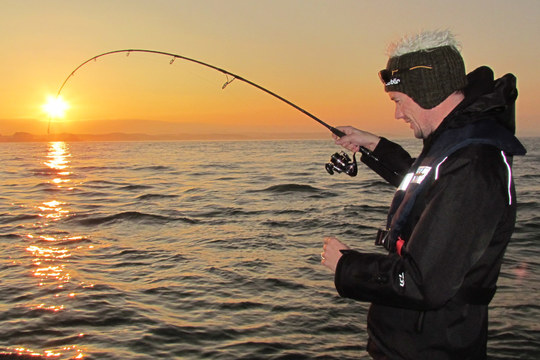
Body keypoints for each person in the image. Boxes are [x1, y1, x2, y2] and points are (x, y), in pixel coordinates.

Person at [320, 30, 526, 360]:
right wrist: (375, 146)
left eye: (399, 102)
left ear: (426, 94)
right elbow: (425, 183)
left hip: (432, 348)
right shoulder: (455, 146)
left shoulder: (472, 167)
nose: (397, 115)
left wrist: (347, 267)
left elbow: (423, 284)